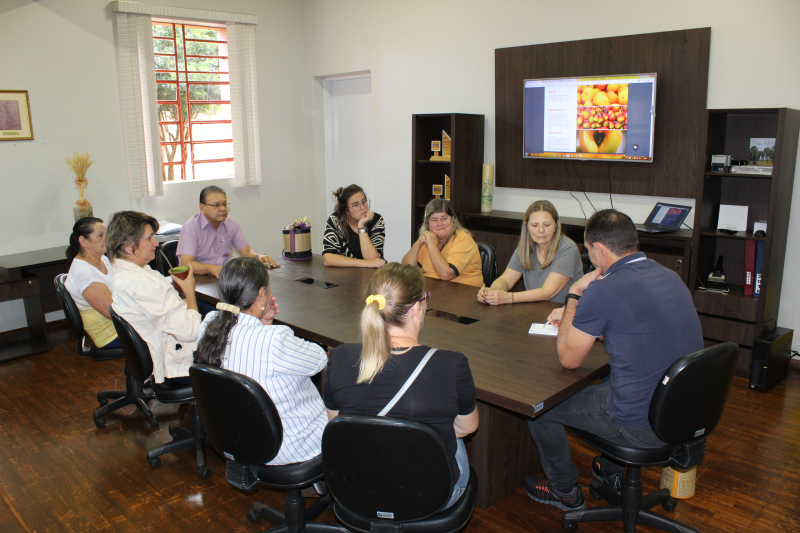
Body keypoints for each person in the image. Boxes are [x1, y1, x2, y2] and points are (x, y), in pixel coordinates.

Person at [523, 209, 703, 511]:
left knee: (541, 405)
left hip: (640, 424)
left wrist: (575, 295)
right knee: (607, 378)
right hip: (682, 411)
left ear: (598, 249)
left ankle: (564, 489)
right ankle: (609, 471)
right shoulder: (669, 275)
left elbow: (568, 358)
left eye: (588, 250)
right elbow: (639, 329)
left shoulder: (602, 290)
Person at [323, 263, 479, 508]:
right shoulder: (451, 365)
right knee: (450, 436)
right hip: (430, 496)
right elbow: (467, 427)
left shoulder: (339, 358)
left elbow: (338, 426)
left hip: (359, 490)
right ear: (417, 308)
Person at [195, 257, 328, 465]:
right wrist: (269, 328)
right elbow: (319, 360)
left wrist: (264, 322)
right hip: (289, 445)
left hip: (239, 438)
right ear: (261, 294)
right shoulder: (274, 339)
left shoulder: (209, 324)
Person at [108, 211, 200, 384]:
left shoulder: (127, 272)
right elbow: (190, 332)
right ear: (129, 246)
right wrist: (190, 294)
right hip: (177, 366)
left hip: (165, 346)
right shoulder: (140, 283)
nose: (156, 243)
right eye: (149, 238)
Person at [477, 200, 583, 305]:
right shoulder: (525, 247)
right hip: (535, 310)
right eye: (535, 225)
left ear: (556, 225)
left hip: (564, 314)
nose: (541, 230)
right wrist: (491, 292)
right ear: (527, 226)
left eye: (547, 225)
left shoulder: (568, 249)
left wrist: (509, 297)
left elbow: (548, 292)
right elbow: (506, 280)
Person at [177, 185, 279, 279]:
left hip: (223, 279)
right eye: (216, 205)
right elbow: (186, 264)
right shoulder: (190, 228)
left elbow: (246, 252)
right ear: (202, 208)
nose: (222, 209)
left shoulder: (230, 224)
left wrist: (259, 256)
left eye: (224, 204)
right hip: (197, 281)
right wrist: (211, 268)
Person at [64, 217, 120, 349]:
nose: (106, 239)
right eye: (100, 236)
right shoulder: (84, 273)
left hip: (122, 328)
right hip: (111, 335)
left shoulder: (103, 259)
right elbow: (113, 312)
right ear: (83, 241)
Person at [402, 199, 483, 287]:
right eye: (434, 220)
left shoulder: (463, 240)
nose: (440, 224)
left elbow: (446, 275)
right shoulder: (428, 238)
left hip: (464, 293)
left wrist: (432, 245)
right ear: (427, 223)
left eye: (444, 218)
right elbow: (407, 271)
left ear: (453, 219)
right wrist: (418, 243)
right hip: (435, 291)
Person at [322, 184, 386, 268]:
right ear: (346, 210)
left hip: (371, 278)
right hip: (343, 277)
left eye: (364, 201)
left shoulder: (376, 220)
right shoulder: (336, 220)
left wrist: (361, 226)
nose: (363, 207)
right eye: (356, 205)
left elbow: (372, 259)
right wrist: (366, 263)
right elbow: (328, 259)